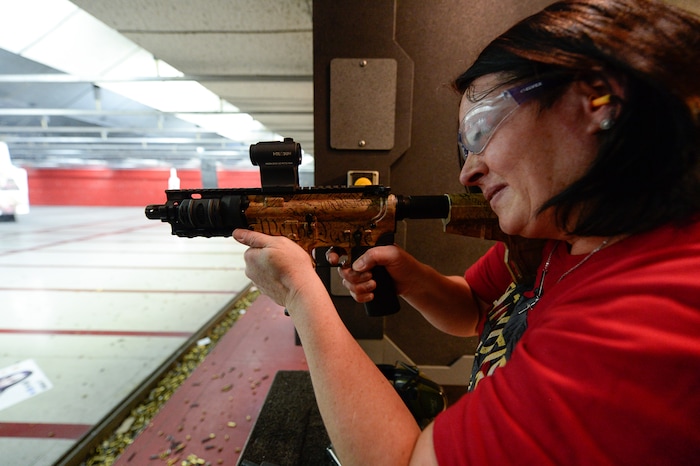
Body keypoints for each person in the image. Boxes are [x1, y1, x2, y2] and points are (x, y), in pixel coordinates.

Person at [234, 0, 700, 464]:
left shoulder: (647, 312)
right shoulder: (565, 238)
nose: (467, 172)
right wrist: (412, 276)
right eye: (464, 148)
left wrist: (301, 293)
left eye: (479, 132)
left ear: (598, 100)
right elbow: (477, 311)